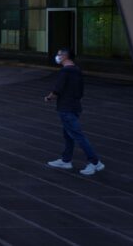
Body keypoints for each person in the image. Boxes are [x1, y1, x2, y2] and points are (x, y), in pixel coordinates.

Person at [45, 47, 104, 175]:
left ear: (65, 57)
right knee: (68, 136)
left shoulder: (65, 72)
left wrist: (48, 98)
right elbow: (80, 91)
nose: (57, 56)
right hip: (75, 106)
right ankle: (66, 161)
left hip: (66, 108)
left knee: (78, 136)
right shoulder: (77, 70)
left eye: (59, 54)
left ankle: (95, 162)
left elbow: (57, 90)